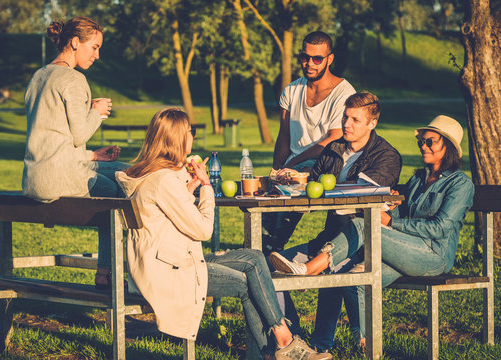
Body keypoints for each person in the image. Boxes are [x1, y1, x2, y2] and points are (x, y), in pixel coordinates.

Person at [115, 108, 331, 360]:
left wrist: (189, 188)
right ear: (177, 138)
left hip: (166, 262)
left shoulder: (147, 175)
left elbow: (167, 216)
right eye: (189, 132)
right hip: (169, 272)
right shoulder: (164, 180)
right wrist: (206, 186)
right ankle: (278, 349)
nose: (192, 137)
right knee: (249, 283)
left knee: (253, 258)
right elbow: (203, 229)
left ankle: (281, 345)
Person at [270, 115, 474, 354]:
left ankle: (308, 270)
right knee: (352, 276)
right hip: (405, 249)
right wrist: (394, 211)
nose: (423, 146)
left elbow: (440, 228)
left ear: (447, 146)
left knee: (361, 226)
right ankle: (362, 342)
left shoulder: (461, 185)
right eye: (421, 141)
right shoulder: (419, 178)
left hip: (433, 255)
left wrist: (391, 222)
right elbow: (404, 217)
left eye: (430, 141)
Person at [269, 92, 402, 352]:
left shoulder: (386, 156)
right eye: (345, 116)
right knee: (267, 267)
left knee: (334, 267)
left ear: (372, 123)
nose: (346, 123)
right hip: (328, 237)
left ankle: (321, 346)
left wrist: (319, 186)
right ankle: (293, 337)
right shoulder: (334, 149)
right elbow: (314, 185)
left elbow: (363, 194)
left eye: (355, 119)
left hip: (359, 243)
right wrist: (297, 180)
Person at [22, 17, 130, 290]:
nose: (97, 55)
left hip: (35, 176)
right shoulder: (73, 78)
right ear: (74, 42)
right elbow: (80, 134)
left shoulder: (38, 76)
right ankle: (109, 271)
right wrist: (97, 112)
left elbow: (52, 136)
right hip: (60, 179)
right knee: (120, 189)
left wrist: (92, 156)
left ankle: (109, 269)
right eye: (93, 47)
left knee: (126, 169)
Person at [264, 30, 356, 254]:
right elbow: (284, 135)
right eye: (305, 57)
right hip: (295, 167)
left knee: (333, 232)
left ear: (329, 59)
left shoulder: (344, 93)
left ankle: (306, 259)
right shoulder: (291, 91)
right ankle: (268, 256)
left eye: (317, 59)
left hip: (329, 166)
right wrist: (276, 171)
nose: (309, 63)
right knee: (265, 225)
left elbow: (335, 137)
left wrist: (295, 162)